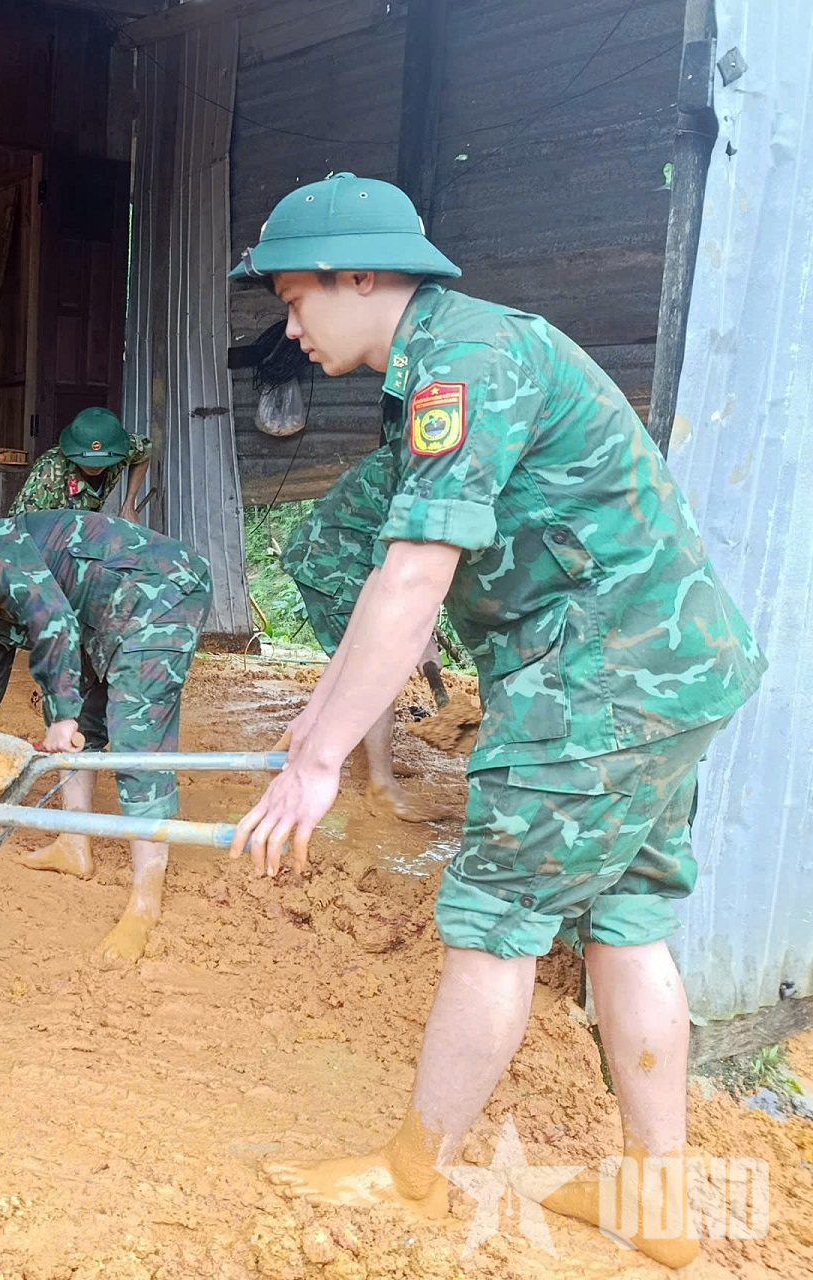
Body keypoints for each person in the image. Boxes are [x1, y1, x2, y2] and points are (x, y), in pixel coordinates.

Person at [225, 173, 765, 1265]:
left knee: (493, 918)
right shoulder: (463, 353)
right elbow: (393, 580)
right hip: (667, 672)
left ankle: (411, 1173)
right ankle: (657, 1197)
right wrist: (317, 722)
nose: (290, 328)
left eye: (295, 299)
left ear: (360, 277)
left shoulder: (460, 368)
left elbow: (415, 575)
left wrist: (320, 764)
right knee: (628, 915)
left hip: (596, 684)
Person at [0, 511, 211, 963]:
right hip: (106, 614)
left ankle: (144, 905)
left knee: (135, 735)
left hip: (160, 594)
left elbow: (53, 620)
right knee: (76, 717)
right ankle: (74, 844)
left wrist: (64, 715)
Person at [279, 447, 452, 822]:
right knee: (374, 672)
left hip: (344, 556)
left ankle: (366, 765)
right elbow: (409, 564)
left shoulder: (429, 457)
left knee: (372, 666)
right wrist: (417, 631)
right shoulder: (439, 468)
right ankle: (381, 786)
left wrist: (422, 630)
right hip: (336, 566)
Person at [8, 406, 151, 520]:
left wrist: (129, 504)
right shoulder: (48, 470)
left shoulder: (121, 448)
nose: (95, 466)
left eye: (101, 461)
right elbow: (20, 526)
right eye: (87, 461)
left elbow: (145, 450)